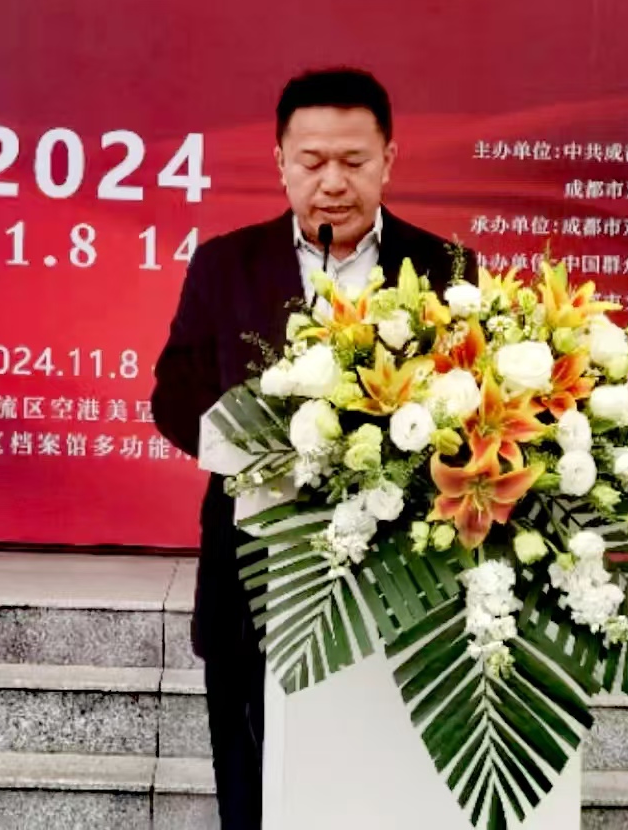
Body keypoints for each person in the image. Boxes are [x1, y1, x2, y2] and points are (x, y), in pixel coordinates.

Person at [151, 67, 474, 830]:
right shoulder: (226, 265)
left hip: (401, 585)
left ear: (389, 159)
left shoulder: (445, 268)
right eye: (313, 160)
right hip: (253, 579)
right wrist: (263, 440)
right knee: (252, 792)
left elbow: (473, 404)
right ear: (280, 162)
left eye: (354, 161)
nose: (333, 182)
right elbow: (173, 394)